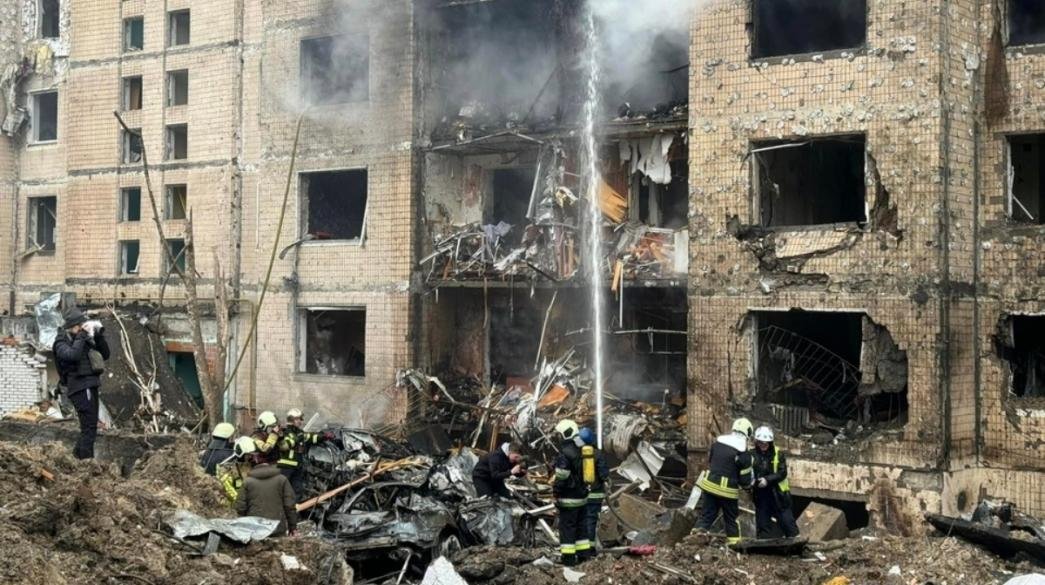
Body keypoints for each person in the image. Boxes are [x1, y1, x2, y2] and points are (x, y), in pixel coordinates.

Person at [53, 308, 110, 460]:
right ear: (72, 326)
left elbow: (105, 354)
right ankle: (86, 463)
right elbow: (73, 356)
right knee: (89, 428)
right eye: (80, 326)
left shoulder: (82, 339)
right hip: (80, 387)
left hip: (90, 385)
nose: (82, 328)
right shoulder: (61, 341)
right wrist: (82, 335)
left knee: (90, 428)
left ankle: (77, 460)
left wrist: (98, 336)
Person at [695, 417, 754, 545]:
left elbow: (712, 462)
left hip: (709, 485)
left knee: (707, 515)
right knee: (731, 519)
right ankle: (734, 544)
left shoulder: (717, 444)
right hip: (727, 491)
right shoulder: (744, 454)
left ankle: (695, 538)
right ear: (748, 434)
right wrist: (749, 487)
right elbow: (745, 481)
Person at [235, 448, 299, 536]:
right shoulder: (282, 480)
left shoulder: (247, 482)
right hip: (277, 529)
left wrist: (243, 528)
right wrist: (293, 527)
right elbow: (289, 506)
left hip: (254, 529)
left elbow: (240, 507)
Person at [751, 425, 800, 539]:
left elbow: (782, 472)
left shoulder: (778, 454)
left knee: (788, 523)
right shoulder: (751, 455)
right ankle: (764, 545)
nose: (763, 445)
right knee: (763, 525)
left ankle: (796, 543)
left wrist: (767, 480)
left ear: (770, 442)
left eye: (765, 443)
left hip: (779, 495)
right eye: (760, 443)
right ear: (757, 442)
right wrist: (752, 482)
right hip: (761, 496)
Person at [552, 419, 589, 566]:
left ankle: (568, 559)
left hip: (569, 498)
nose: (558, 437)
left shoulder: (565, 453)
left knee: (567, 528)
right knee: (581, 528)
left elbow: (562, 476)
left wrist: (556, 491)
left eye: (559, 434)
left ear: (564, 434)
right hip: (582, 497)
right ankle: (583, 556)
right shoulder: (582, 449)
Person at [277, 408, 336, 498]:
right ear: (292, 420)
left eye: (300, 419)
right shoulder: (285, 432)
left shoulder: (300, 432)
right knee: (283, 490)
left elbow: (311, 437)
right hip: (286, 467)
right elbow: (284, 446)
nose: (300, 421)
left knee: (297, 491)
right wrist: (297, 438)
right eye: (298, 419)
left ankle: (295, 506)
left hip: (298, 466)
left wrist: (324, 436)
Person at [578, 427, 609, 562]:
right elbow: (604, 474)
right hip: (595, 494)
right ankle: (589, 549)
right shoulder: (598, 454)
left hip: (580, 495)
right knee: (591, 521)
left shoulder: (576, 455)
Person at [219, 436, 257, 504]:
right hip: (235, 505)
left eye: (251, 455)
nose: (250, 457)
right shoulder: (227, 468)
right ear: (241, 453)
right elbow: (228, 489)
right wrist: (241, 501)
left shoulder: (251, 465)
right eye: (248, 455)